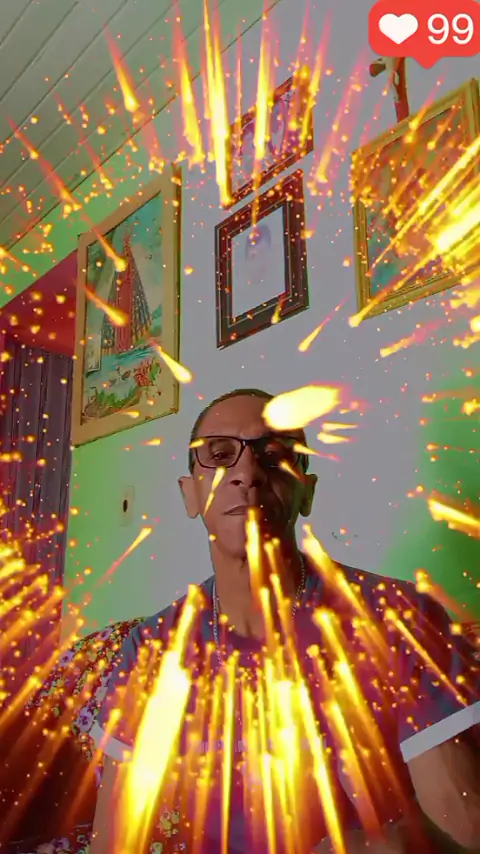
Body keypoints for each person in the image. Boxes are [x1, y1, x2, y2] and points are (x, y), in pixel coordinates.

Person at [89, 388, 480, 854]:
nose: (248, 473)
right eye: (219, 455)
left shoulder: (397, 617)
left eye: (274, 455)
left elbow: (461, 828)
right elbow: (115, 839)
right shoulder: (152, 648)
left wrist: (389, 844)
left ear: (306, 491)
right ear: (189, 493)